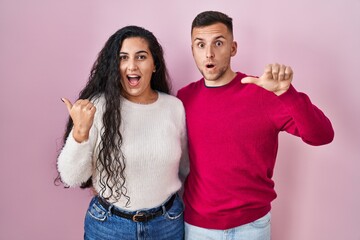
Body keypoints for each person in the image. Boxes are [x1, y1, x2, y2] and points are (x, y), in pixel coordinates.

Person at [176, 11, 334, 240]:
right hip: (199, 228)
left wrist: (286, 93)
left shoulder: (262, 92)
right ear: (193, 50)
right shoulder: (184, 98)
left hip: (251, 227)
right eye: (200, 45)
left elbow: (322, 135)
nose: (208, 53)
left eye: (218, 43)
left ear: (233, 48)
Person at [57, 25, 188, 240]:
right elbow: (71, 178)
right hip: (109, 226)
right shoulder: (97, 106)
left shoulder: (174, 107)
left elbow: (186, 168)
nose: (132, 65)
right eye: (123, 57)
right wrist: (80, 132)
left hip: (167, 224)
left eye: (141, 57)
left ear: (154, 64)